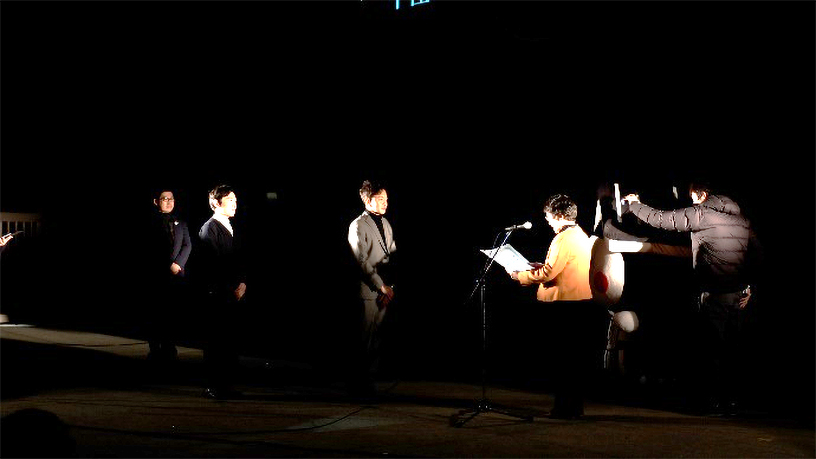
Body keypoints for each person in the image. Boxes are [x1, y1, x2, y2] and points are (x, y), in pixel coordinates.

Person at [623, 182, 761, 415]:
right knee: (732, 350)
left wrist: (635, 205)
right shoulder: (742, 220)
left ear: (703, 195)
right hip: (738, 296)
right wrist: (749, 287)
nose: (692, 203)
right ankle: (732, 401)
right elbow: (757, 255)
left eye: (693, 198)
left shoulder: (703, 214)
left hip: (714, 294)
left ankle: (711, 402)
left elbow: (662, 219)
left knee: (711, 350)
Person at [509, 194, 608, 419]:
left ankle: (564, 408)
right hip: (578, 302)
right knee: (572, 360)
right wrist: (539, 266)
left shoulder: (564, 238)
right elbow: (563, 267)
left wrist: (520, 275)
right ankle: (571, 407)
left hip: (564, 304)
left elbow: (549, 274)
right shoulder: (579, 234)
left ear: (560, 216)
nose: (548, 221)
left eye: (549, 217)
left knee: (563, 361)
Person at [197, 184, 247, 400]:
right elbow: (213, 264)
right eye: (230, 200)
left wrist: (242, 282)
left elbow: (238, 259)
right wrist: (229, 287)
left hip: (232, 292)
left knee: (229, 341)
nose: (235, 204)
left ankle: (226, 385)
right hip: (217, 294)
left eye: (235, 200)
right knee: (216, 342)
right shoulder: (210, 228)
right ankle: (214, 386)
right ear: (216, 203)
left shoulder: (230, 226)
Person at [347, 180, 397, 398]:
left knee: (377, 339)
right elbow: (361, 260)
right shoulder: (357, 225)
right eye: (380, 198)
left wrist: (390, 286)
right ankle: (359, 384)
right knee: (364, 339)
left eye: (386, 198)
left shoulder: (386, 223)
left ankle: (370, 382)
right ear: (368, 200)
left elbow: (392, 255)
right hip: (367, 291)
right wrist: (380, 286)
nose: (385, 202)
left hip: (385, 289)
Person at [146, 189, 192, 364]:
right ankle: (155, 350)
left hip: (176, 276)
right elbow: (151, 248)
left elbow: (187, 245)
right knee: (156, 314)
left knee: (172, 314)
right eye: (164, 198)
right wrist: (168, 264)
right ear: (156, 201)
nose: (168, 201)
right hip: (156, 276)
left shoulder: (181, 222)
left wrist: (178, 264)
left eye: (171, 198)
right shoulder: (151, 222)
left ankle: (170, 348)